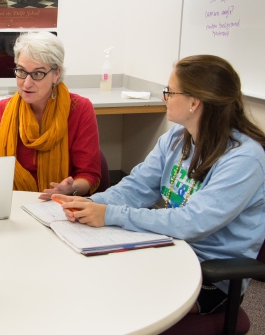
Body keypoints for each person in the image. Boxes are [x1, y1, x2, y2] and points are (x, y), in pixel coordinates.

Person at [54, 55, 265, 315]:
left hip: (209, 277)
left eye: (170, 92)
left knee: (112, 303)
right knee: (88, 278)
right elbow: (137, 187)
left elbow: (192, 222)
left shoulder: (244, 159)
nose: (165, 97)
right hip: (168, 249)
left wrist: (111, 214)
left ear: (194, 103)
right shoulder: (177, 137)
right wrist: (90, 203)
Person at [0, 31, 101, 200]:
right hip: (13, 202)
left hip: (61, 204)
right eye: (21, 71)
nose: (27, 83)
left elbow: (89, 174)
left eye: (38, 74)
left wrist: (72, 188)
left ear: (56, 74)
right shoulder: (3, 111)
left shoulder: (80, 109)